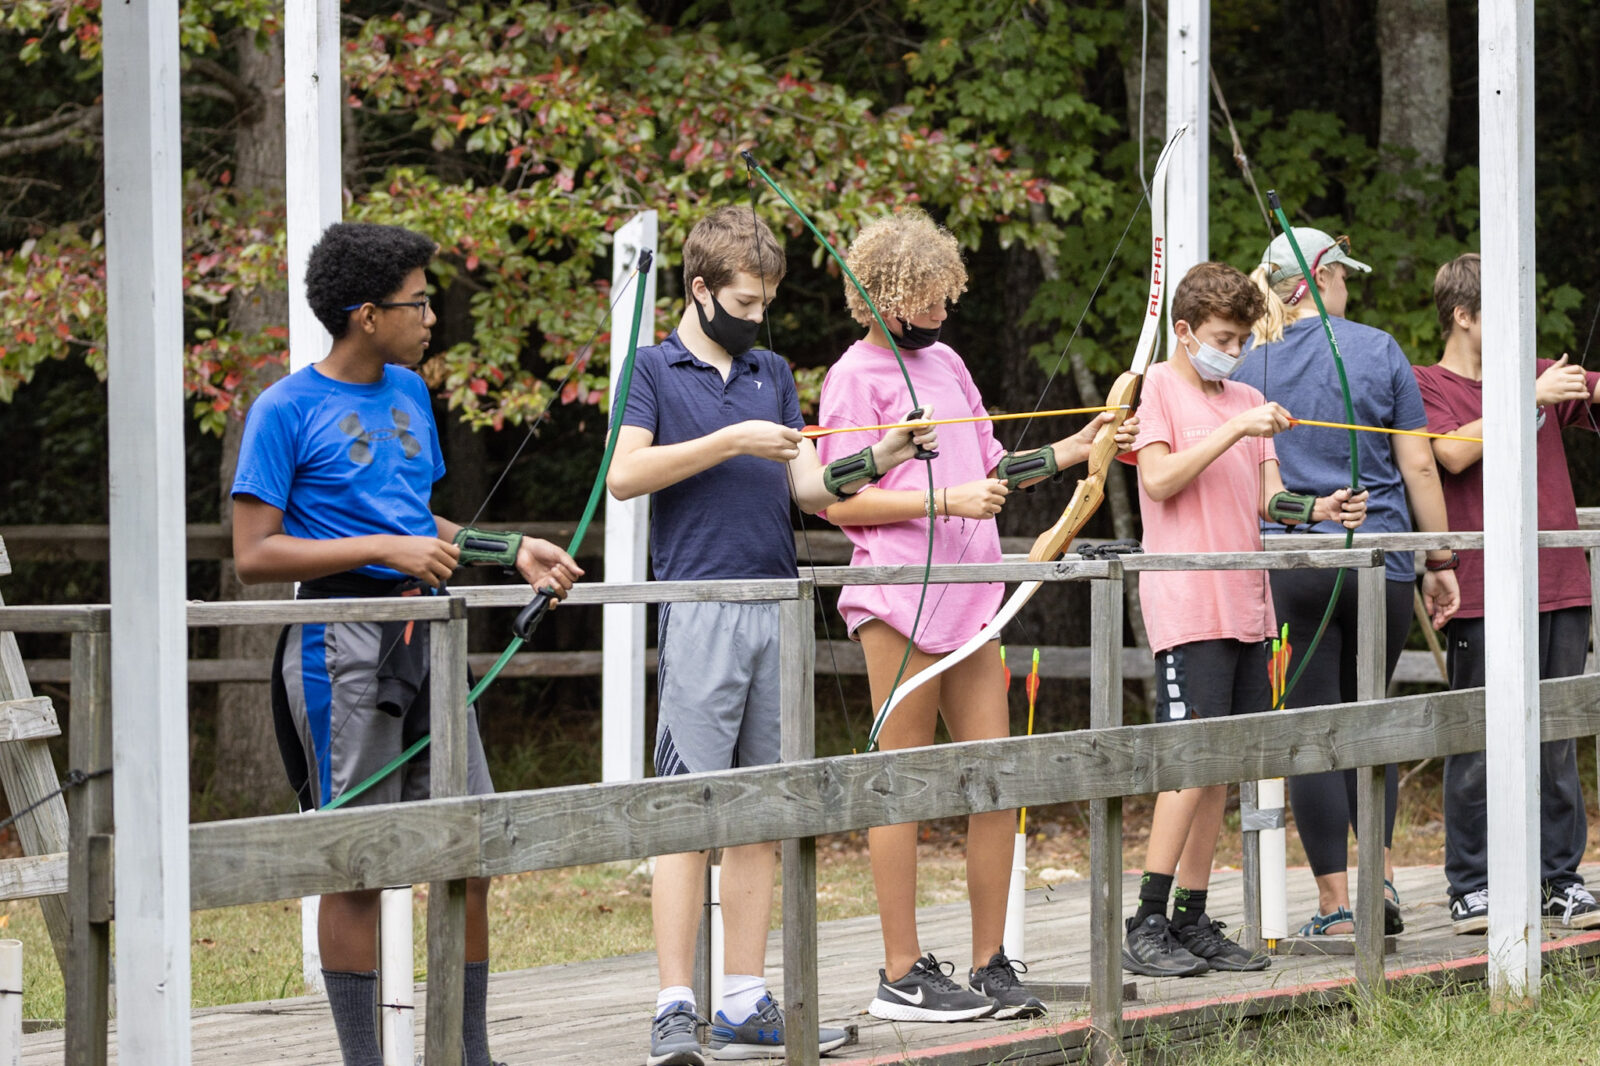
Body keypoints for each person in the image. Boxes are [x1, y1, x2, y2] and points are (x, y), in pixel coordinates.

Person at [231, 222, 583, 1066]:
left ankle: (468, 1052)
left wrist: (511, 550)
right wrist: (380, 553)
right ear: (364, 315)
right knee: (355, 861)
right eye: (417, 301)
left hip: (425, 635)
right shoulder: (284, 410)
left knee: (470, 847)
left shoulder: (409, 395)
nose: (432, 316)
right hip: (337, 648)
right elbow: (254, 553)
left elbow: (413, 522)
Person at [606, 205, 936, 1066]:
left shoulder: (772, 372)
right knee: (690, 811)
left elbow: (812, 489)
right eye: (746, 302)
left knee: (764, 813)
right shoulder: (652, 367)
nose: (757, 318)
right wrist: (724, 441)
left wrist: (889, 452)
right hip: (699, 607)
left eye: (767, 304)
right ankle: (675, 1005)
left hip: (777, 610)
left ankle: (745, 1000)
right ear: (701, 288)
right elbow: (626, 476)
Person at [815, 209, 1136, 1021]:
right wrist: (947, 498)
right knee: (904, 783)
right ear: (888, 297)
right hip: (896, 597)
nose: (943, 311)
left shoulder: (950, 361)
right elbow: (839, 500)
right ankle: (900, 969)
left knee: (997, 778)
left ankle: (992, 962)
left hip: (973, 598)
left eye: (946, 296)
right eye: (929, 298)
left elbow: (993, 464)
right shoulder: (856, 376)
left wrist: (1077, 450)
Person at [1118, 262, 1367, 976]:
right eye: (1223, 337)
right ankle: (1146, 921)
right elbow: (1159, 479)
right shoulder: (1158, 389)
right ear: (1186, 331)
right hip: (1188, 604)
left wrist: (1322, 510)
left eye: (1241, 338)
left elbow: (1270, 502)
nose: (1232, 349)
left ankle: (1193, 919)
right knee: (1187, 768)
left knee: (1222, 769)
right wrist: (1235, 431)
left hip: (1247, 607)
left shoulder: (1250, 397)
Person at [1233, 227, 1460, 937]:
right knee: (1371, 717)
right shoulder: (1377, 347)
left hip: (1289, 563)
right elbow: (1418, 466)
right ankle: (1380, 882)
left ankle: (1336, 905)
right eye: (1343, 276)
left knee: (1311, 728)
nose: (1348, 289)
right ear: (1320, 276)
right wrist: (1442, 560)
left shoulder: (1245, 359)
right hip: (1380, 563)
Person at [1414, 252, 1600, 934]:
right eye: (1503, 312)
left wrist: (1555, 387)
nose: (1520, 327)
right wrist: (1532, 395)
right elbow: (1451, 453)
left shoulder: (1539, 376)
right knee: (1478, 739)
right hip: (1483, 589)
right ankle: (1472, 882)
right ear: (1463, 316)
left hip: (1561, 581)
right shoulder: (1425, 383)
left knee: (1556, 737)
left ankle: (1560, 878)